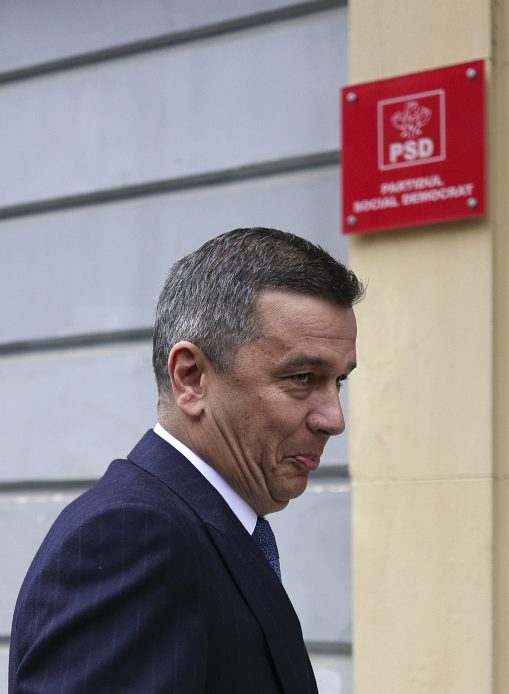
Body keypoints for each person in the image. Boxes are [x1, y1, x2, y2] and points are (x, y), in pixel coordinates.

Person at [8, 227, 363, 693]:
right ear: (191, 378)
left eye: (339, 382)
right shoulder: (133, 536)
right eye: (302, 377)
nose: (334, 419)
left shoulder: (192, 526)